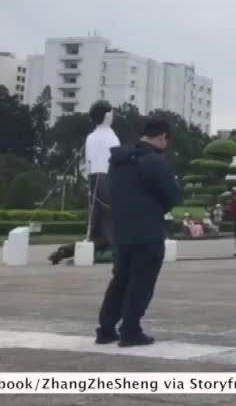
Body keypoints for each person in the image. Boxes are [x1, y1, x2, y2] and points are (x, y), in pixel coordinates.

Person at [96, 119, 183, 348]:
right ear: (162, 137)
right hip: (148, 232)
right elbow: (172, 196)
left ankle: (105, 329)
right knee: (141, 283)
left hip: (122, 231)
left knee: (120, 281)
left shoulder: (118, 160)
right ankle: (130, 331)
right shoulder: (155, 161)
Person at [49, 100, 120, 265]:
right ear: (107, 115)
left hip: (93, 178)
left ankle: (66, 250)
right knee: (111, 220)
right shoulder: (111, 136)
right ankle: (115, 249)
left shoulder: (91, 137)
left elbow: (89, 162)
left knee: (97, 224)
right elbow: (116, 161)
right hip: (107, 179)